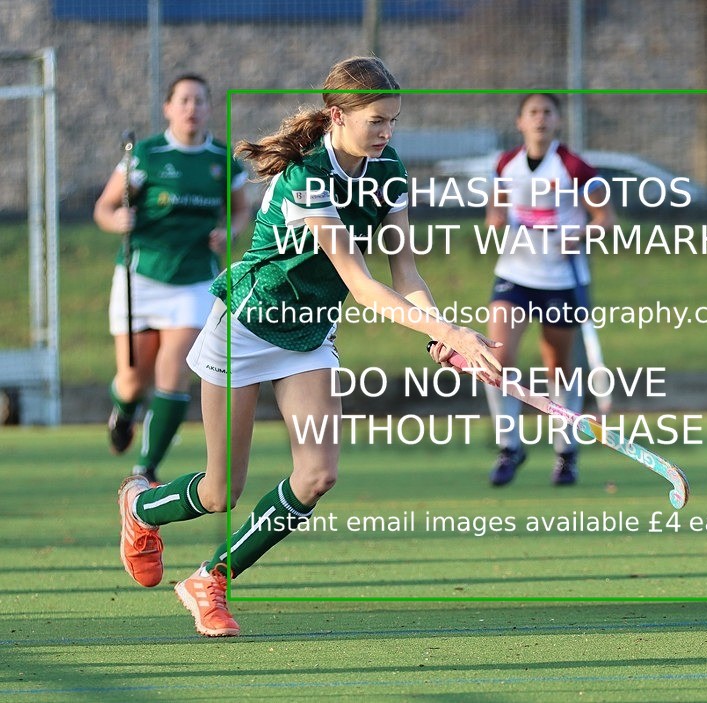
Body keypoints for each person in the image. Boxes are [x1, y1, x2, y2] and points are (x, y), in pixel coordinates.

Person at [115, 56, 502, 637]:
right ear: (336, 115)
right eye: (376, 120)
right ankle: (140, 506)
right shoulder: (306, 176)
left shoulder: (387, 167)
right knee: (222, 492)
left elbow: (405, 272)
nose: (387, 132)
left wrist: (440, 336)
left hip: (308, 334)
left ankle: (210, 580)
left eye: (393, 121)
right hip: (244, 328)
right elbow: (359, 281)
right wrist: (448, 333)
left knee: (317, 474)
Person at [94, 74, 252, 486]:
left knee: (174, 368)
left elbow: (239, 212)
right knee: (132, 380)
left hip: (195, 279)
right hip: (141, 275)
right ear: (168, 108)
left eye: (199, 100)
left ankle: (144, 469)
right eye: (183, 100)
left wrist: (229, 232)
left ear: (208, 107)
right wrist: (118, 219)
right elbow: (104, 208)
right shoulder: (145, 155)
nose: (191, 108)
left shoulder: (223, 161)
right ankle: (125, 409)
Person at [484, 93, 615, 487]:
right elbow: (496, 210)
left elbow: (605, 219)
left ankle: (565, 453)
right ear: (520, 121)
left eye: (547, 112)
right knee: (495, 362)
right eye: (533, 113)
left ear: (557, 121)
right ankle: (510, 447)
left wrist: (582, 233)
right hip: (513, 275)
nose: (540, 119)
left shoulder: (574, 166)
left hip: (559, 280)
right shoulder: (506, 164)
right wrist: (495, 222)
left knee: (557, 369)